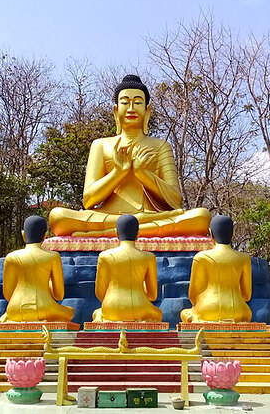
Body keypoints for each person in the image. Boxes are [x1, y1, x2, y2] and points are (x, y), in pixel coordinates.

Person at [49, 74, 210, 237]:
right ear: (116, 109)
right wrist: (118, 173)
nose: (131, 108)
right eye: (125, 103)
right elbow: (89, 200)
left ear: (147, 110)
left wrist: (144, 174)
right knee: (58, 217)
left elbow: (175, 200)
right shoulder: (101, 145)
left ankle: (115, 231)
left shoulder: (161, 146)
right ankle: (132, 227)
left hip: (151, 215)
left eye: (138, 103)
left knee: (201, 216)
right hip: (110, 216)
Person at [0, 216, 74, 322]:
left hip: (15, 309)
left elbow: (8, 294)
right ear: (45, 235)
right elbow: (59, 295)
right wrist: (46, 280)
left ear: (23, 235)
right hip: (44, 307)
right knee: (70, 312)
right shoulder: (53, 256)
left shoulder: (11, 257)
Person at [181, 215, 252, 323]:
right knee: (245, 314)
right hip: (240, 311)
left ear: (211, 233)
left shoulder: (201, 257)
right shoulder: (244, 258)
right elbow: (246, 296)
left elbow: (193, 295)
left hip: (207, 310)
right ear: (233, 234)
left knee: (185, 313)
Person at [92, 214, 162, 322]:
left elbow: (99, 292)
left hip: (111, 306)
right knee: (158, 313)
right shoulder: (149, 257)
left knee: (97, 312)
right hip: (141, 307)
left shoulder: (105, 256)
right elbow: (152, 295)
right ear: (138, 234)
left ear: (116, 232)